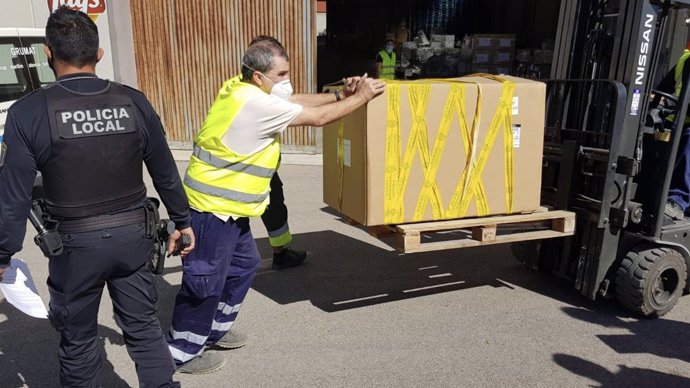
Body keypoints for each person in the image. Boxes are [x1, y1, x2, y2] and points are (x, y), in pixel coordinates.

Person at [0, 7, 194, 387]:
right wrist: (183, 222)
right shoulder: (133, 101)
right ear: (99, 54)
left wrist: (3, 255)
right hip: (134, 239)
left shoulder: (28, 113)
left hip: (74, 249)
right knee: (143, 330)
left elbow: (13, 196)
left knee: (79, 342)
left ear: (47, 53)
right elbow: (165, 170)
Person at [166, 38, 385, 374]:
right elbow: (317, 117)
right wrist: (362, 97)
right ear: (258, 76)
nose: (286, 80)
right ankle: (182, 352)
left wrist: (343, 94)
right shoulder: (254, 105)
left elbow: (296, 100)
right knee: (205, 283)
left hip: (232, 211)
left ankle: (212, 331)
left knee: (244, 265)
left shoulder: (241, 88)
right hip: (210, 211)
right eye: (280, 74)